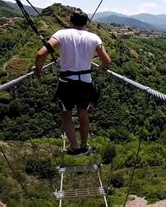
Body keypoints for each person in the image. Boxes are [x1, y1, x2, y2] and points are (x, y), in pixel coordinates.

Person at [33, 11, 111, 156]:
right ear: (86, 23)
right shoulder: (94, 37)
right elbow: (107, 61)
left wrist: (38, 69)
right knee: (83, 113)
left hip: (67, 83)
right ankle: (84, 145)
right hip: (86, 83)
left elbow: (40, 54)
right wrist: (99, 67)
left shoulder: (62, 34)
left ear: (70, 22)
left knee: (66, 114)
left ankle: (74, 148)